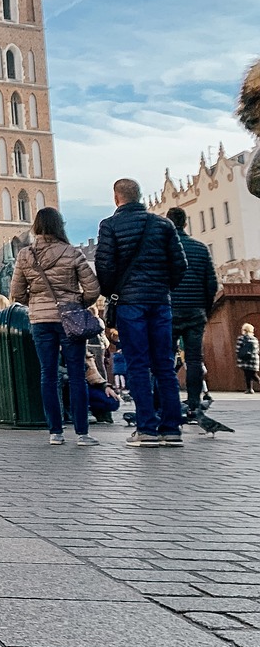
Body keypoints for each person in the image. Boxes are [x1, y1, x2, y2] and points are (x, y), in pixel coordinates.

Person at [95, 178, 187, 448]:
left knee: (137, 365)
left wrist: (115, 292)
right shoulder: (163, 224)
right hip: (160, 302)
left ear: (116, 198)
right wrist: (163, 287)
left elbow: (104, 267)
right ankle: (172, 428)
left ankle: (146, 428)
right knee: (164, 366)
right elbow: (179, 265)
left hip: (130, 304)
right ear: (140, 196)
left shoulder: (110, 225)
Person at [10, 207, 102, 446]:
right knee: (76, 375)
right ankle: (82, 433)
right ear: (59, 225)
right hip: (69, 319)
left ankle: (55, 432)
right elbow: (92, 288)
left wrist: (37, 304)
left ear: (36, 227)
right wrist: (77, 302)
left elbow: (16, 293)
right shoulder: (72, 253)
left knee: (47, 374)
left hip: (40, 321)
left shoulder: (25, 255)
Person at [165, 207, 218, 420]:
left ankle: (168, 404)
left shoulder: (163, 249)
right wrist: (205, 308)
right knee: (195, 359)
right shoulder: (200, 248)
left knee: (166, 358)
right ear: (185, 224)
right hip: (196, 312)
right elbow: (212, 283)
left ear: (168, 224)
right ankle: (194, 404)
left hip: (169, 311)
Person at [236, 323, 259, 394]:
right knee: (253, 374)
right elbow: (257, 350)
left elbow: (238, 349)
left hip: (245, 360)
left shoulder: (241, 338)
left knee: (248, 375)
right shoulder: (254, 339)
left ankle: (249, 389)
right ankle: (249, 389)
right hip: (254, 360)